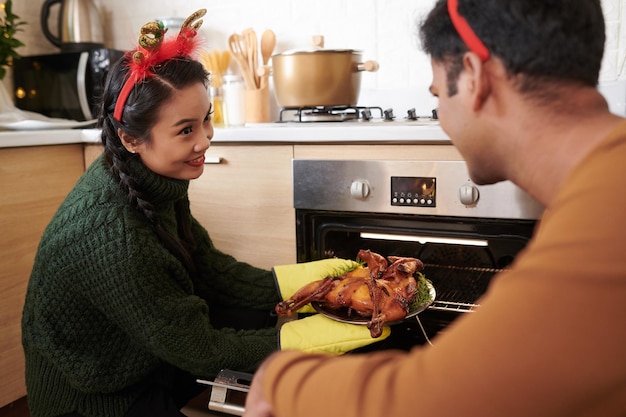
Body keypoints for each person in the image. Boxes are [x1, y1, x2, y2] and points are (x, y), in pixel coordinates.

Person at [242, 1, 626, 416]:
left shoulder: (608, 212)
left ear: (475, 78)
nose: (441, 115)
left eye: (439, 95)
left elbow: (435, 400)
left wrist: (281, 377)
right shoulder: (595, 189)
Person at [21, 9, 388, 417]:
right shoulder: (111, 235)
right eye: (185, 130)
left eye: (206, 120)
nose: (205, 141)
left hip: (144, 353)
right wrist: (307, 337)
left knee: (250, 312)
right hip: (95, 397)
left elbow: (210, 271)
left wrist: (311, 286)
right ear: (130, 138)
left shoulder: (150, 177)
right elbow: (202, 349)